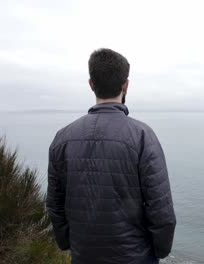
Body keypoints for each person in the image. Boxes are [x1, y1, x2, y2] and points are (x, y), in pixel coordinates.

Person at [46, 48, 176, 264]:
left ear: (91, 84)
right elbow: (161, 210)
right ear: (126, 85)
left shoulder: (63, 138)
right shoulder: (143, 136)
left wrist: (68, 243)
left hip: (83, 255)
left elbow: (54, 204)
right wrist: (160, 251)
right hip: (136, 257)